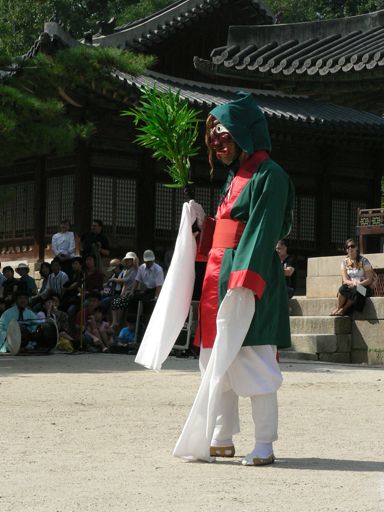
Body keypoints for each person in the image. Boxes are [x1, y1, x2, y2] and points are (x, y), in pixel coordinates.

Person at [162, 93, 295, 465]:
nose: (219, 148)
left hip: (245, 276)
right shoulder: (236, 176)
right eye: (216, 141)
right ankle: (220, 436)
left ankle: (265, 443)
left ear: (245, 136)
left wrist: (244, 281)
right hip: (218, 275)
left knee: (253, 358)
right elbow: (222, 232)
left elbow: (262, 231)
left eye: (226, 138)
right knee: (214, 357)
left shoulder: (270, 175)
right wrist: (200, 225)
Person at [330, 238, 374, 316]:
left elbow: (369, 279)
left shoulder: (364, 261)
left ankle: (343, 309)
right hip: (352, 285)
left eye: (352, 246)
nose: (350, 248)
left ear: (356, 248)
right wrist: (353, 283)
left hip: (365, 289)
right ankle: (338, 308)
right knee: (342, 289)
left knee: (355, 290)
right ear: (346, 250)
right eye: (348, 247)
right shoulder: (344, 262)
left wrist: (358, 284)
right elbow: (345, 279)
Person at [110, 252, 139, 330]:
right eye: (127, 260)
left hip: (133, 292)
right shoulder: (126, 270)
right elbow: (125, 285)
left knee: (119, 303)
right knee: (116, 303)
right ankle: (115, 321)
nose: (128, 261)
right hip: (125, 292)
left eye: (130, 260)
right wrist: (122, 293)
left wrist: (113, 279)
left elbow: (125, 280)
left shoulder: (135, 270)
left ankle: (117, 322)